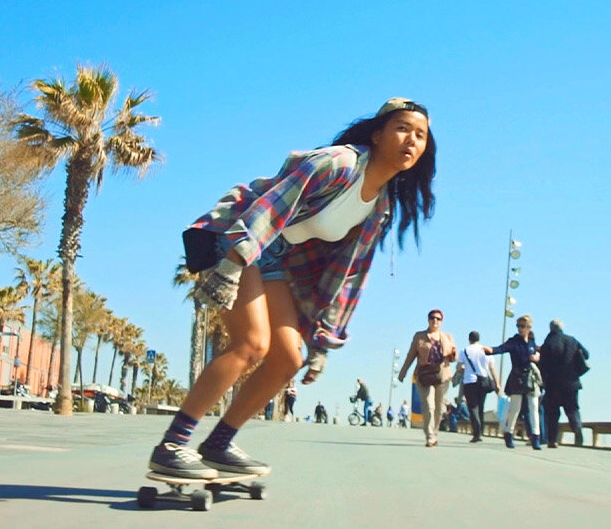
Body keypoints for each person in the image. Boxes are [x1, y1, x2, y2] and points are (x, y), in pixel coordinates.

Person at [148, 98, 437, 480]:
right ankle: (171, 446)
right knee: (251, 344)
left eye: (420, 135)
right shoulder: (340, 164)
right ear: (378, 134)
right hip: (239, 233)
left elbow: (349, 275)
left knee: (287, 358)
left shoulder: (378, 208)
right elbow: (270, 208)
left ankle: (218, 444)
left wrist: (323, 342)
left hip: (274, 257)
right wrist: (233, 264)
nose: (411, 140)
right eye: (402, 128)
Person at [398, 308, 457, 447]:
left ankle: (434, 433)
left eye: (438, 318)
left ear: (441, 321)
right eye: (432, 318)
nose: (435, 320)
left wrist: (453, 353)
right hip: (424, 375)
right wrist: (403, 371)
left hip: (442, 376)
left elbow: (454, 358)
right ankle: (430, 435)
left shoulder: (447, 337)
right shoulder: (419, 336)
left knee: (438, 408)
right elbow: (411, 355)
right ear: (428, 320)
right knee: (428, 406)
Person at [485, 314, 542, 450]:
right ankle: (509, 433)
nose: (520, 329)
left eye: (523, 326)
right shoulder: (514, 341)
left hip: (530, 377)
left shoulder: (532, 342)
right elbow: (501, 348)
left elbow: (538, 353)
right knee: (515, 408)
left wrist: (537, 357)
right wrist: (490, 350)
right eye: (518, 326)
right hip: (517, 377)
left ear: (529, 327)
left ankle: (536, 437)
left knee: (534, 407)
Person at [540, 318, 589, 447]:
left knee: (552, 412)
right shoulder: (572, 340)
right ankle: (578, 433)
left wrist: (542, 382)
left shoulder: (548, 343)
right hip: (572, 382)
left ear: (550, 328)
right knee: (573, 409)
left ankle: (552, 440)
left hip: (553, 384)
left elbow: (542, 365)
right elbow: (586, 354)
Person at [458, 330, 500, 443]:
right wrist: (497, 383)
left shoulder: (464, 350)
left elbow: (459, 368)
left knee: (472, 407)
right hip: (483, 381)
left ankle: (476, 433)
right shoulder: (485, 350)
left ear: (469, 339)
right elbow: (492, 369)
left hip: (470, 381)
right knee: (481, 406)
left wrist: (463, 369)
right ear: (479, 339)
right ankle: (480, 431)